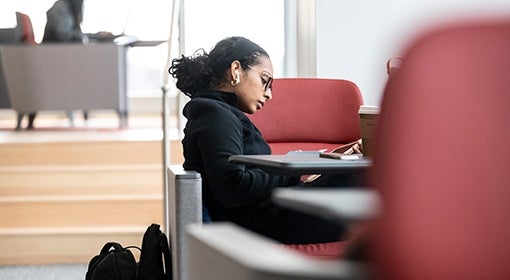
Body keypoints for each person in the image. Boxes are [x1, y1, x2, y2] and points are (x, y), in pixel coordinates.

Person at [169, 36, 364, 244]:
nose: (269, 94)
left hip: (269, 213)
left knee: (356, 173)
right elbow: (233, 188)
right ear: (236, 70)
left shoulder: (219, 112)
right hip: (262, 221)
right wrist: (293, 172)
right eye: (265, 80)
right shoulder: (214, 114)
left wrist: (302, 169)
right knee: (363, 178)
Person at [17, 0, 111, 130]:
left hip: (57, 59)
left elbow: (70, 34)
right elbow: (64, 35)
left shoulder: (66, 8)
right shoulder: (59, 9)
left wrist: (94, 35)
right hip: (54, 62)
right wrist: (91, 37)